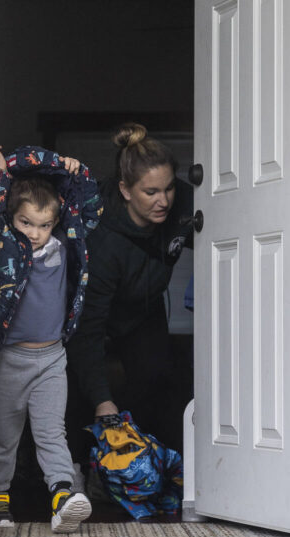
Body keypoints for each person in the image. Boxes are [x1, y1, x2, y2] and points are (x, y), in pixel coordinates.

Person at [0, 144, 103, 532]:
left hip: (52, 358)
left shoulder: (66, 242)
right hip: (10, 360)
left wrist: (76, 173)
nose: (35, 233)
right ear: (12, 218)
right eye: (26, 223)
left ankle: (63, 496)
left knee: (52, 431)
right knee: (3, 435)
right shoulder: (3, 242)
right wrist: (1, 175)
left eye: (43, 225)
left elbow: (89, 212)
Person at [66, 123, 194, 463]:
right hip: (94, 313)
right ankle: (81, 470)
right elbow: (88, 330)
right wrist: (102, 401)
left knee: (159, 378)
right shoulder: (103, 241)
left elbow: (226, 232)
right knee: (82, 389)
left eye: (168, 189)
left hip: (144, 308)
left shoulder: (182, 204)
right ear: (125, 190)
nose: (163, 200)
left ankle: (155, 468)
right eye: (150, 192)